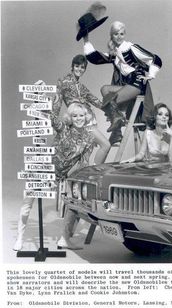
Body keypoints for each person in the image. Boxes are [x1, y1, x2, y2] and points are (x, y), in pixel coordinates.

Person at [13, 78, 110, 251]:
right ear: (70, 118)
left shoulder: (88, 139)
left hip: (60, 177)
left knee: (74, 202)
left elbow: (84, 162)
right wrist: (42, 94)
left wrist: (82, 180)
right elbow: (50, 115)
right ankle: (19, 238)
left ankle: (64, 239)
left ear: (86, 117)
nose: (79, 119)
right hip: (43, 168)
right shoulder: (63, 128)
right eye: (75, 116)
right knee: (27, 203)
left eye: (81, 116)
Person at [83, 21, 162, 145]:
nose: (119, 37)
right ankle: (117, 129)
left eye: (121, 34)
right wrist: (86, 39)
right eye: (115, 34)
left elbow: (155, 59)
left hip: (137, 85)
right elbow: (95, 58)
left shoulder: (131, 48)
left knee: (110, 101)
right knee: (105, 89)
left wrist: (151, 75)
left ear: (125, 35)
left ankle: (116, 133)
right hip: (126, 85)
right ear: (112, 36)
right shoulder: (114, 54)